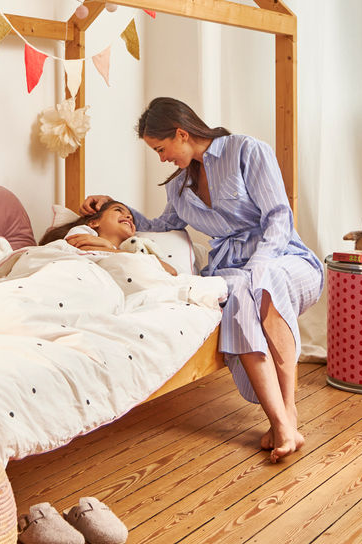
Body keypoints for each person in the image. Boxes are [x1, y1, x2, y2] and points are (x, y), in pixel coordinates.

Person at [81, 97, 322, 462]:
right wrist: (115, 206)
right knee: (237, 291)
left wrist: (258, 265)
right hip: (231, 271)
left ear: (181, 133)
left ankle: (288, 413)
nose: (161, 158)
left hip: (282, 257)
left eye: (162, 149)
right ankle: (280, 421)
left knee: (262, 283)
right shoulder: (178, 187)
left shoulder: (246, 151)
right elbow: (162, 227)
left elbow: (278, 218)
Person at [39, 199, 177, 276]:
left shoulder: (134, 249)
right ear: (94, 222)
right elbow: (75, 249)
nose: (129, 216)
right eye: (118, 210)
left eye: (131, 217)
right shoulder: (83, 231)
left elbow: (171, 272)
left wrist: (112, 249)